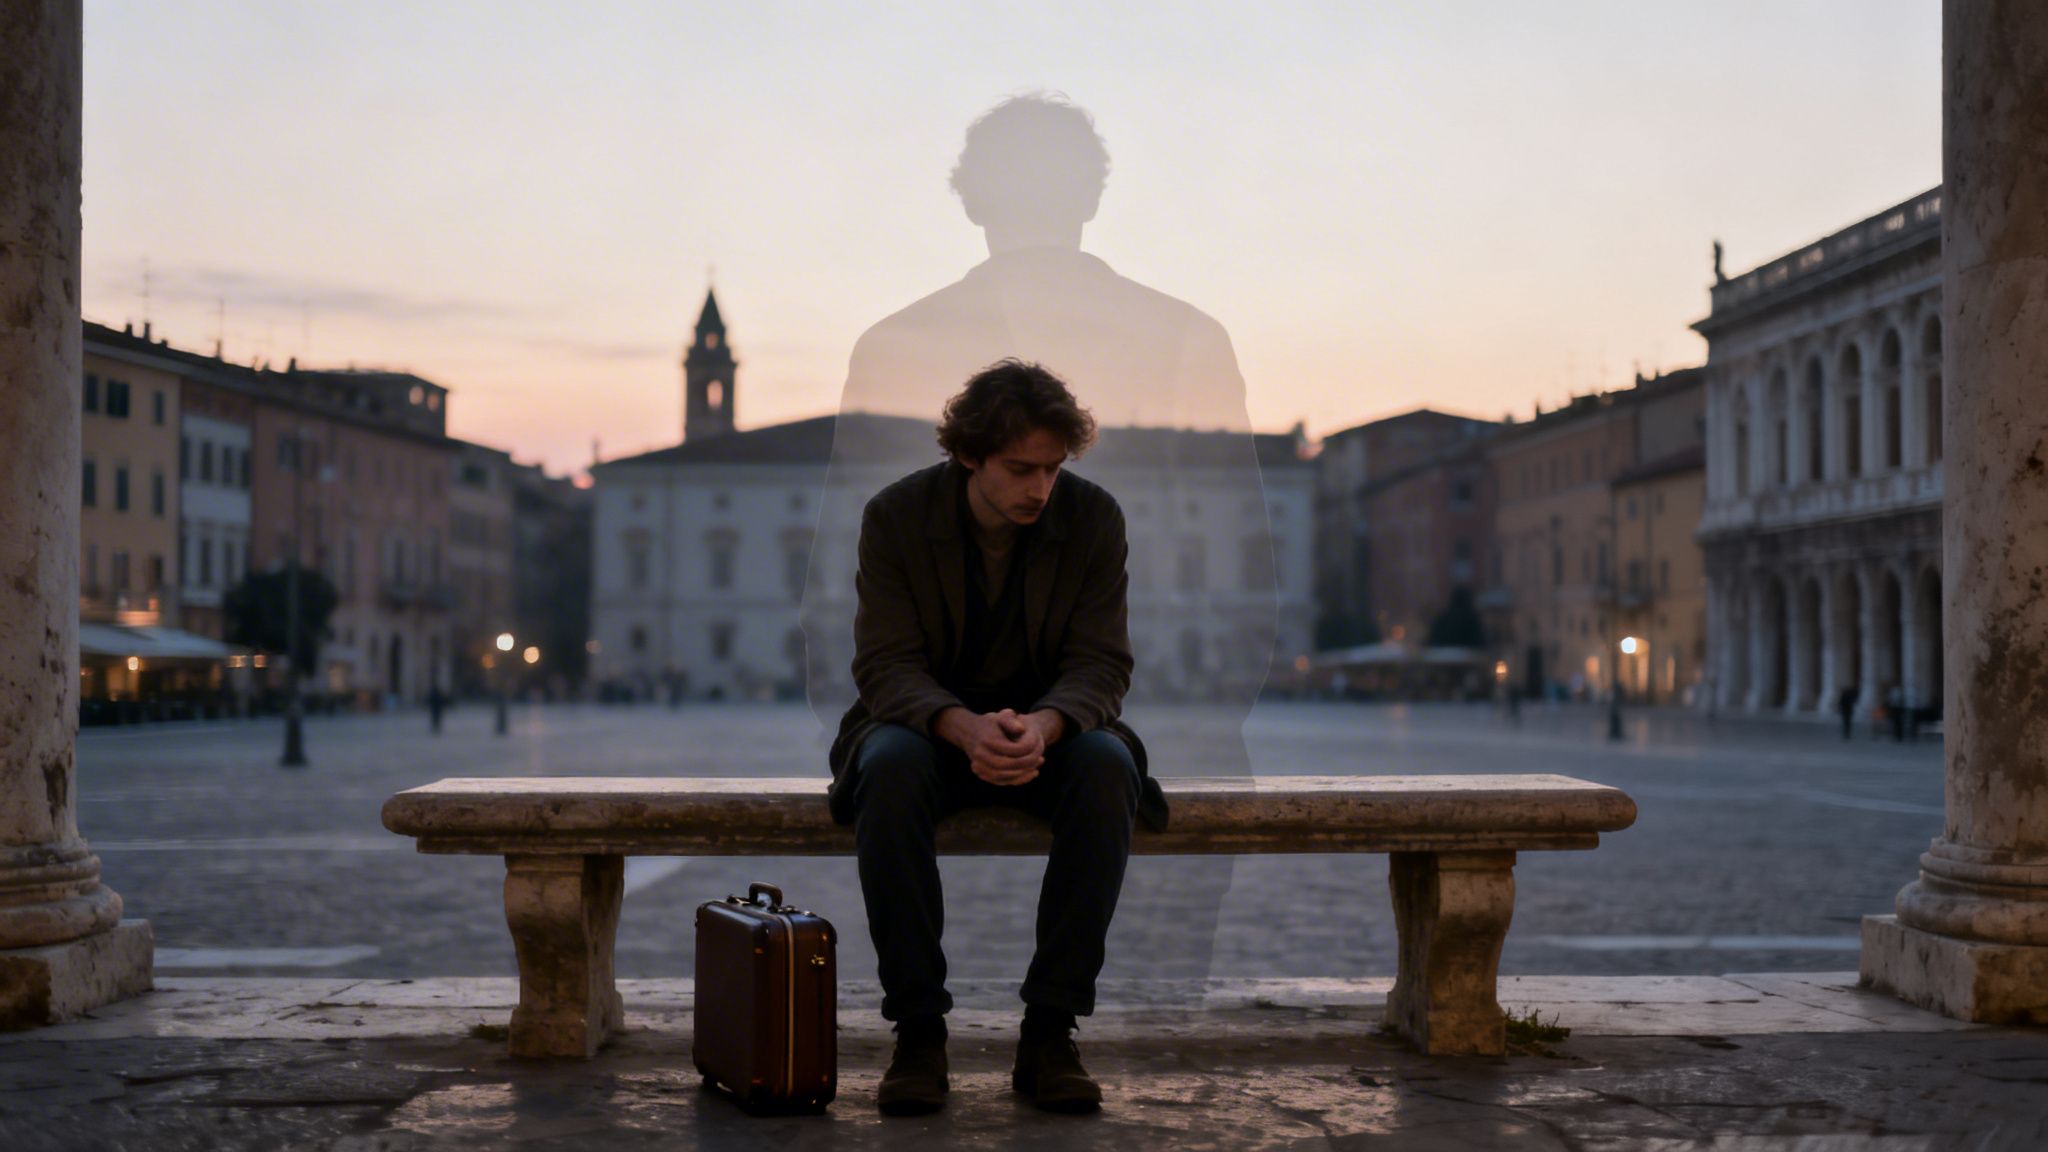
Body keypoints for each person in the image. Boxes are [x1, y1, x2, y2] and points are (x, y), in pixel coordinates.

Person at [826, 361, 1166, 1116]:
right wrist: (961, 725)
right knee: (888, 770)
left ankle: (1051, 1031)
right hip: (922, 731)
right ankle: (918, 1033)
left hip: (1051, 733)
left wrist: (1043, 726)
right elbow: (885, 665)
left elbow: (1102, 663)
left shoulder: (1094, 518)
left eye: (1053, 468)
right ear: (967, 454)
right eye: (1020, 469)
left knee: (1109, 768)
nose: (1040, 488)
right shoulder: (896, 516)